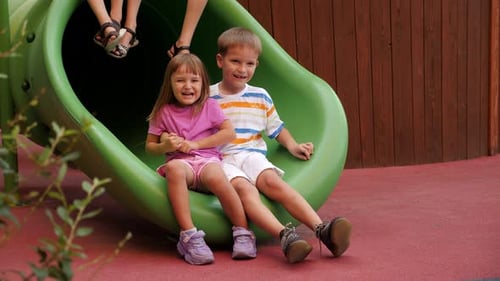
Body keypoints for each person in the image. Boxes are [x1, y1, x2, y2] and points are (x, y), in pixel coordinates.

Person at [209, 27, 352, 263]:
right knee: (246, 191)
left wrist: (293, 145)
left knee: (273, 182)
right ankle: (285, 236)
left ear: (256, 64)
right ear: (220, 60)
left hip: (252, 154)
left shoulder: (260, 96)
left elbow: (276, 128)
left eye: (250, 64)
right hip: (222, 160)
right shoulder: (208, 96)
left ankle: (322, 230)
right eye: (235, 61)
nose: (242, 69)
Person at [145, 53, 256, 265]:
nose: (188, 86)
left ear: (203, 83)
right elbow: (150, 147)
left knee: (216, 174)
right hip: (183, 165)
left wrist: (196, 144)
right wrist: (165, 146)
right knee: (175, 168)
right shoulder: (163, 112)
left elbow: (228, 133)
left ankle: (242, 232)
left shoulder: (210, 106)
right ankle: (189, 236)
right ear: (170, 84)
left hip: (206, 161)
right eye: (180, 80)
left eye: (194, 80)